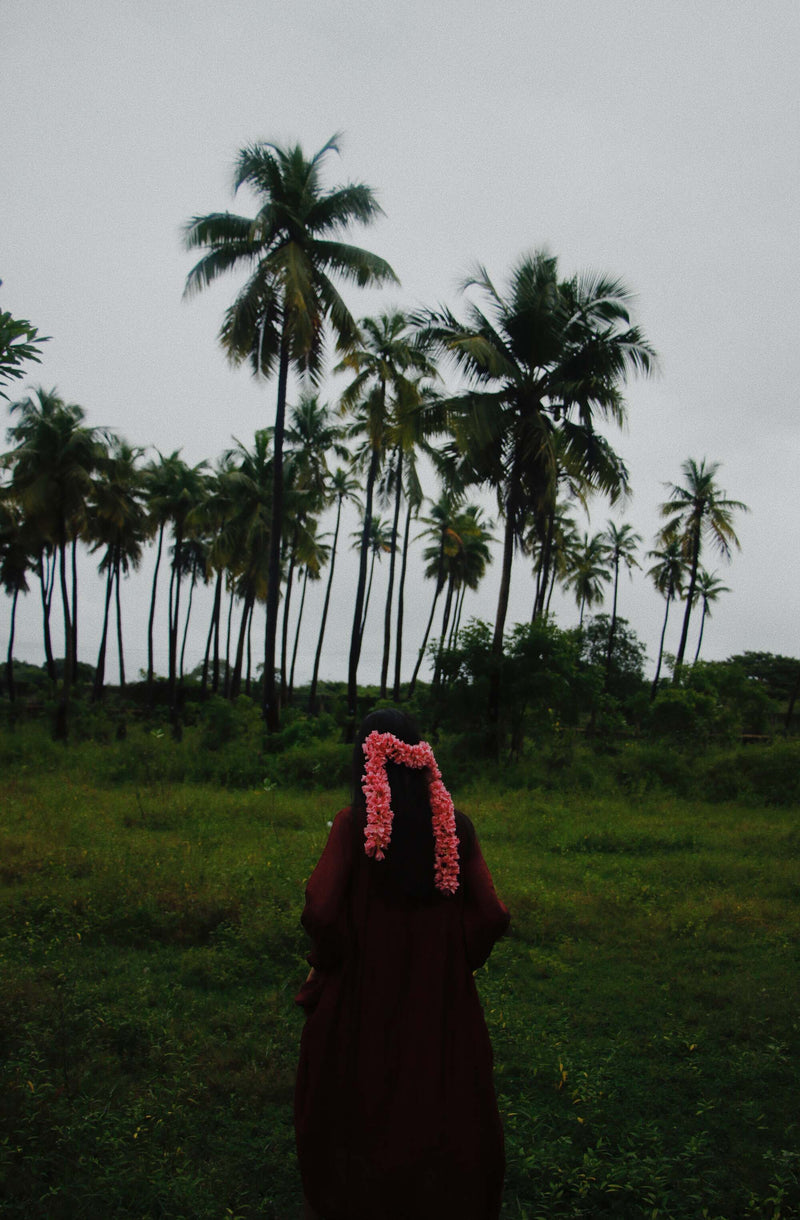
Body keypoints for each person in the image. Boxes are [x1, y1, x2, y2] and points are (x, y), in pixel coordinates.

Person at [294, 708, 510, 1220]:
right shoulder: (455, 828)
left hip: (363, 996)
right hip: (437, 999)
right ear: (420, 763)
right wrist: (455, 964)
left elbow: (321, 910)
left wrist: (330, 963)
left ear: (366, 765)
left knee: (358, 1103)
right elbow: (492, 914)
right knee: (438, 1100)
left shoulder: (354, 827)